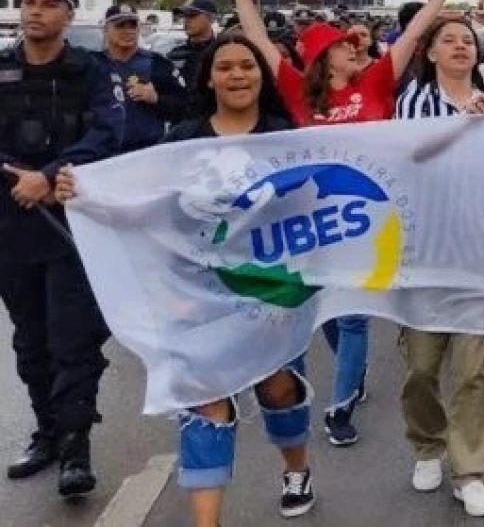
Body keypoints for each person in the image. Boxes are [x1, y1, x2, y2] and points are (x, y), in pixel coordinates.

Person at [58, 34, 315, 524]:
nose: (237, 75)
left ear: (262, 75)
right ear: (209, 78)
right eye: (226, 67)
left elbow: (309, 211)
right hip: (198, 294)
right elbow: (148, 204)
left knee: (276, 389)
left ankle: (296, 468)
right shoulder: (182, 140)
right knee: (206, 400)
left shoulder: (285, 137)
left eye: (247, 65)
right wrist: (85, 190)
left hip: (273, 293)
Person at [232, 0, 453, 446]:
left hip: (367, 218)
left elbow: (414, 35)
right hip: (312, 221)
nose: (355, 50)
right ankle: (351, 370)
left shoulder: (374, 82)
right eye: (343, 46)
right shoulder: (295, 91)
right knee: (322, 306)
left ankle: (340, 405)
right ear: (321, 57)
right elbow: (260, 42)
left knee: (353, 315)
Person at [0, 0, 124, 499]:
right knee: (31, 340)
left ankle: (76, 447)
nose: (35, 13)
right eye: (28, 3)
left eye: (49, 5)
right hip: (10, 227)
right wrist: (19, 178)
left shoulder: (91, 72)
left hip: (72, 229)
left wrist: (48, 176)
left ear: (68, 16)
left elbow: (107, 134)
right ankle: (47, 432)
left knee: (72, 339)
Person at [392, 18, 484, 518]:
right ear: (431, 52)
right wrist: (464, 123)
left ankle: (470, 470)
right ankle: (426, 443)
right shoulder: (414, 101)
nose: (461, 47)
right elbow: (410, 155)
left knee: (474, 371)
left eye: (468, 41)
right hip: (425, 254)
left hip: (480, 254)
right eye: (449, 40)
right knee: (421, 369)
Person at [96, 4, 187, 153]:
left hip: (145, 152)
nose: (128, 31)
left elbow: (184, 106)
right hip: (102, 153)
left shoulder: (157, 63)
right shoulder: (94, 63)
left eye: (132, 25)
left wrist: (156, 99)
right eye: (120, 25)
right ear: (106, 29)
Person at [169, 0, 220, 93]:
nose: (186, 20)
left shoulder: (221, 52)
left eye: (192, 15)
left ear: (211, 18)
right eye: (184, 16)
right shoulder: (174, 54)